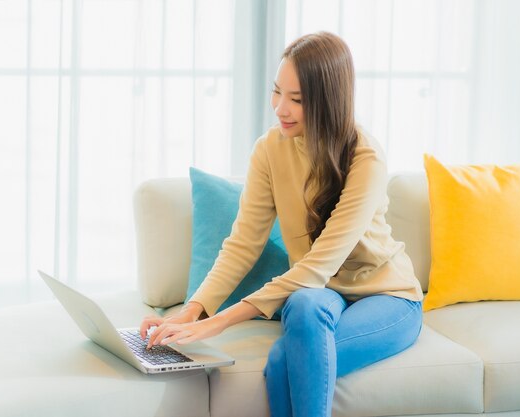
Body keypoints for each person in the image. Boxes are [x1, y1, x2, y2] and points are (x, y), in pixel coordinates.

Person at [139, 31, 424, 417]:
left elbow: (317, 264)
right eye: (277, 92)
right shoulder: (269, 149)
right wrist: (192, 312)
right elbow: (243, 243)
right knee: (304, 303)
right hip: (320, 293)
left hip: (387, 297)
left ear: (328, 101)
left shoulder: (365, 157)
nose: (280, 108)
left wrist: (217, 324)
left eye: (297, 99)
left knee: (283, 360)